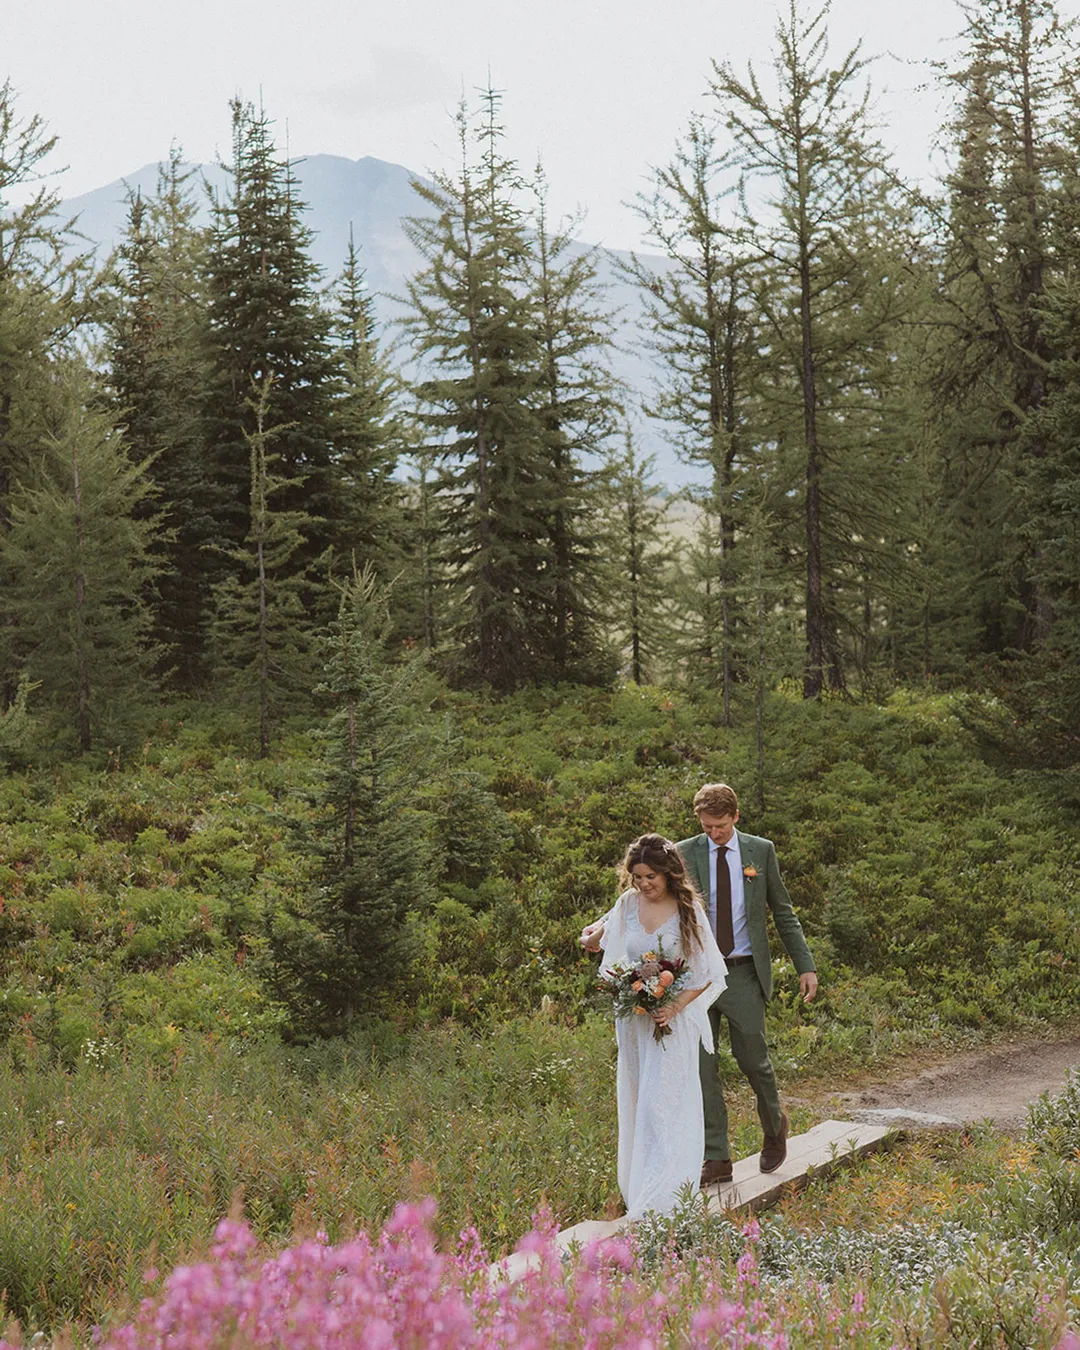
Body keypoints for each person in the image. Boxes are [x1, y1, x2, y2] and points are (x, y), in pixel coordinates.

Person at [581, 783, 818, 1186]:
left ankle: (774, 1124)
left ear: (735, 817)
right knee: (700, 1067)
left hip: (741, 971)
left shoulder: (761, 851)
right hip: (688, 975)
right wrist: (599, 927)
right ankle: (717, 1155)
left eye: (721, 826)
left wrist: (805, 966)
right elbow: (640, 895)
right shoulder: (682, 852)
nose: (714, 833)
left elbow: (783, 911)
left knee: (752, 1058)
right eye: (707, 827)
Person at [598, 833, 728, 1220]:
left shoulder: (688, 910)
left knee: (662, 1104)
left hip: (673, 1022)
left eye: (650, 877)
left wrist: (672, 1005)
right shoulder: (627, 904)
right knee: (638, 1101)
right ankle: (640, 1190)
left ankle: (666, 1197)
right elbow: (613, 958)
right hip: (636, 1024)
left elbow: (707, 972)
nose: (643, 884)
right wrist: (630, 989)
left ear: (668, 873)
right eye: (637, 877)